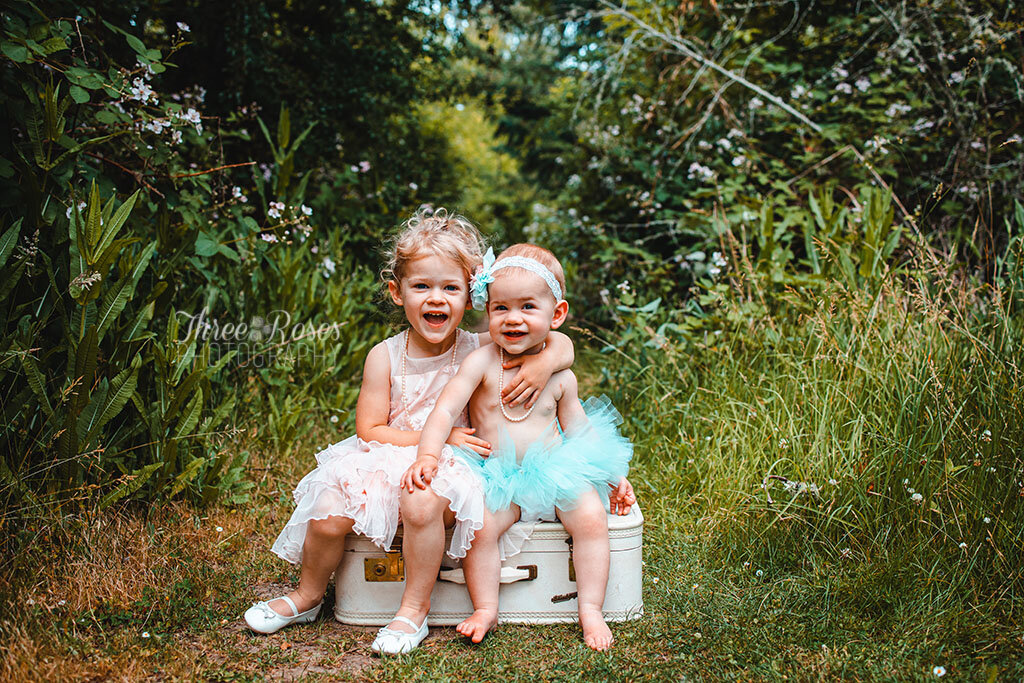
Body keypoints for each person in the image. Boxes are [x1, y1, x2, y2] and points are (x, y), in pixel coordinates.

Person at [244, 211, 575, 636]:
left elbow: (557, 339)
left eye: (451, 288)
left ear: (471, 297)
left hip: (453, 465)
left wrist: (546, 360)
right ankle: (308, 595)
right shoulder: (384, 356)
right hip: (388, 455)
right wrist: (436, 437)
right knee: (326, 513)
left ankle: (414, 610)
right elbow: (370, 430)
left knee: (420, 503)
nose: (436, 298)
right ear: (397, 292)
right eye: (421, 286)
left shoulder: (483, 345)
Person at [395, 243, 635, 653]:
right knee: (479, 530)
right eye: (500, 308)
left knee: (591, 520)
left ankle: (590, 607)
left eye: (527, 307)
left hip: (555, 469)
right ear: (486, 312)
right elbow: (444, 410)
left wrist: (616, 475)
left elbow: (578, 429)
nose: (513, 319)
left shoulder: (561, 376)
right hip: (497, 475)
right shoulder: (481, 363)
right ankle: (486, 606)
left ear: (556, 315)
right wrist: (428, 456)